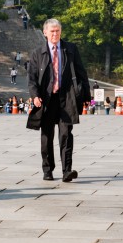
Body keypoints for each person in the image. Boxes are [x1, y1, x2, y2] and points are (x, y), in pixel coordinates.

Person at [27, 18, 91, 182]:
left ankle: (66, 170)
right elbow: (32, 79)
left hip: (66, 97)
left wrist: (85, 96)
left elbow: (81, 72)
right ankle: (47, 169)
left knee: (66, 134)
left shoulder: (70, 49)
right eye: (52, 31)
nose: (55, 34)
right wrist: (35, 96)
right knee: (47, 135)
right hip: (47, 99)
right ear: (45, 33)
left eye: (57, 31)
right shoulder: (37, 53)